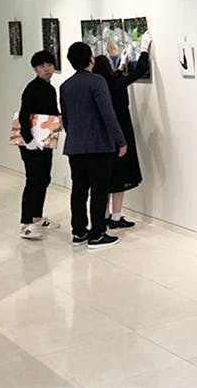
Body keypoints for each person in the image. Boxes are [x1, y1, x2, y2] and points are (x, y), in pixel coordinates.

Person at [59, 41, 127, 250]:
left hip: (75, 146)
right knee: (99, 191)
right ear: (91, 59)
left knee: (78, 191)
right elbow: (107, 114)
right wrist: (120, 140)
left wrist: (75, 136)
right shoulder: (97, 81)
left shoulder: (65, 86)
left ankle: (79, 232)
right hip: (99, 146)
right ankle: (97, 234)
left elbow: (66, 118)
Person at [91, 31, 152, 229]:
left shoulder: (98, 87)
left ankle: (106, 215)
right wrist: (144, 49)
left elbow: (114, 79)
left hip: (103, 136)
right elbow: (140, 70)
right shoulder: (116, 84)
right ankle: (116, 217)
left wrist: (120, 67)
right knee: (120, 177)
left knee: (106, 178)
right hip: (121, 133)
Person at [17, 50, 61, 240]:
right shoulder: (32, 88)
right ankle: (27, 224)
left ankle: (37, 217)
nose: (47, 69)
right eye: (42, 66)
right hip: (32, 142)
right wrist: (29, 140)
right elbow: (23, 115)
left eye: (49, 65)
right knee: (34, 180)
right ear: (35, 69)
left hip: (45, 140)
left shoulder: (49, 88)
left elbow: (52, 112)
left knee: (43, 178)